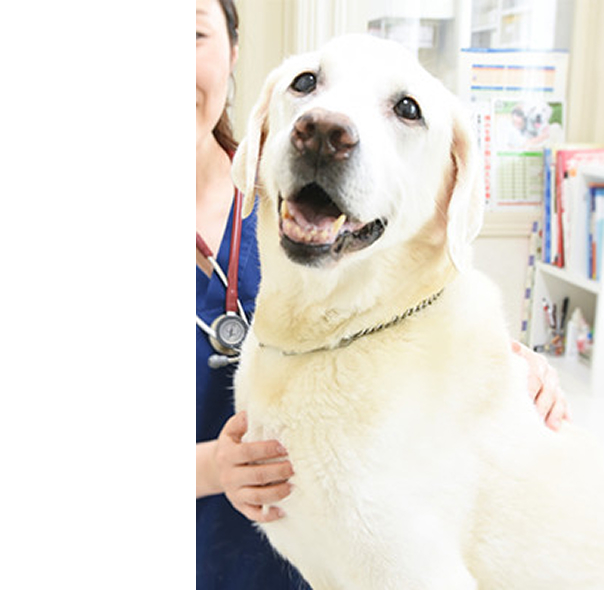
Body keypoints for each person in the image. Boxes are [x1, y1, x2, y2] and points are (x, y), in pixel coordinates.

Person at [196, 1, 569, 587]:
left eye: (190, 33)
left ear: (232, 51)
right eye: (308, 86)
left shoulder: (273, 190)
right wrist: (213, 468)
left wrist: (501, 381)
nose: (325, 126)